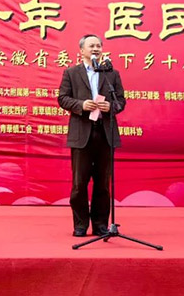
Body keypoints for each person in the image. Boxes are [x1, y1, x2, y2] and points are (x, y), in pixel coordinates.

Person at [58, 34, 126, 237]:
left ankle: (100, 225)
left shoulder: (111, 73)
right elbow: (62, 98)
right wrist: (81, 105)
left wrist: (110, 106)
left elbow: (121, 101)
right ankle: (80, 225)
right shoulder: (71, 72)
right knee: (79, 183)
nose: (95, 49)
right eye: (91, 46)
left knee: (103, 183)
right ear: (82, 50)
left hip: (105, 133)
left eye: (98, 46)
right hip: (82, 133)